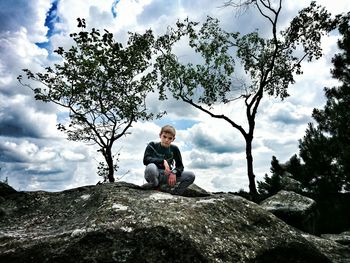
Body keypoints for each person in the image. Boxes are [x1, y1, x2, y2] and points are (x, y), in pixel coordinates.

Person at [142, 125, 195, 195]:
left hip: (167, 176)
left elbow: (180, 166)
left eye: (170, 138)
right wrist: (163, 161)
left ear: (173, 139)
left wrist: (174, 172)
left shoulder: (174, 149)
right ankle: (155, 185)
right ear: (160, 135)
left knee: (191, 175)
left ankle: (175, 193)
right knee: (150, 167)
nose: (166, 140)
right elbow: (146, 160)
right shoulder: (152, 145)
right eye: (164, 136)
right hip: (154, 174)